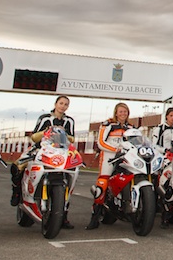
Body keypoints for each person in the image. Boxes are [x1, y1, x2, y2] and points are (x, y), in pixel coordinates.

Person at [11, 95, 76, 228]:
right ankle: (17, 194)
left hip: (61, 151)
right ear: (56, 104)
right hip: (41, 149)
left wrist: (63, 133)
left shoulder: (69, 121)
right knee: (17, 166)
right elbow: (34, 137)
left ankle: (63, 216)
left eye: (66, 104)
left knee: (71, 173)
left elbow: (72, 139)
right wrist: (46, 132)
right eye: (61, 103)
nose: (63, 106)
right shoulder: (45, 118)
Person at [87, 102, 133, 229]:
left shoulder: (131, 127)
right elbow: (101, 142)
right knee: (102, 183)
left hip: (125, 157)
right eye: (121, 111)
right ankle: (94, 217)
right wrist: (115, 149)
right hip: (109, 157)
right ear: (116, 113)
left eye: (125, 111)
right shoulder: (108, 124)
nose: (123, 113)